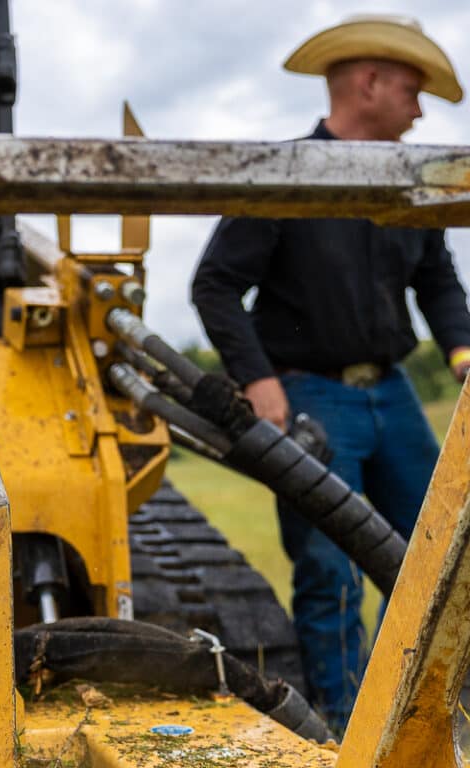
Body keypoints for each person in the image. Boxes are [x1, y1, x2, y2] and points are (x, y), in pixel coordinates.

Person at [191, 14, 470, 733]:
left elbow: (437, 283)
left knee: (440, 559)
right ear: (369, 82)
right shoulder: (289, 174)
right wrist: (259, 382)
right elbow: (215, 285)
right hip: (309, 393)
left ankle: (408, 709)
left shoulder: (409, 186)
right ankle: (346, 732)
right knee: (331, 573)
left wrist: (466, 357)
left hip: (394, 393)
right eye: (412, 91)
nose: (419, 111)